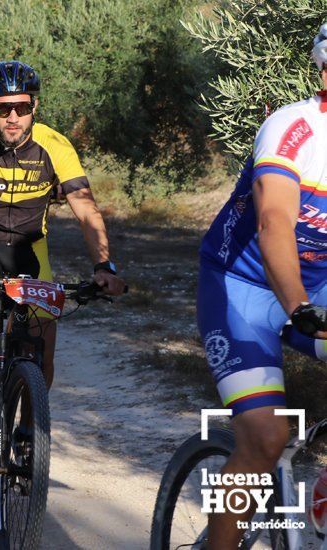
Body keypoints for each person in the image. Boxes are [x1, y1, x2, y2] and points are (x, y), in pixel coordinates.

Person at [0, 60, 125, 460]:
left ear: (34, 106)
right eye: (3, 108)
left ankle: (26, 425)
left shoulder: (55, 146)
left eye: (22, 107)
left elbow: (87, 211)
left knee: (44, 329)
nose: (13, 117)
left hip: (29, 248)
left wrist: (104, 266)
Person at [196, 23, 327, 549]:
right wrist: (298, 307)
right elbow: (274, 220)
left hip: (316, 289)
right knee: (266, 437)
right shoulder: (293, 128)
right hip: (242, 288)